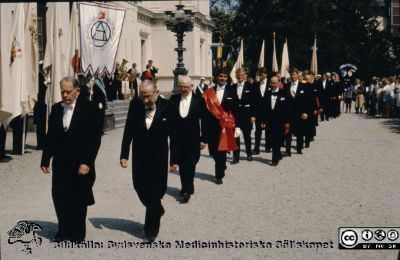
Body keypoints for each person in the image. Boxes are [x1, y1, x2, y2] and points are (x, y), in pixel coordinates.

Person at [40, 76, 102, 242]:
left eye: (68, 91)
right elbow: (50, 136)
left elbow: (95, 138)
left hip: (81, 163)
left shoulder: (90, 108)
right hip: (61, 162)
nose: (65, 95)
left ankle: (77, 233)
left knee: (78, 197)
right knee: (60, 197)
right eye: (62, 92)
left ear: (77, 91)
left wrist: (87, 162)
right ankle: (63, 230)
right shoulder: (56, 109)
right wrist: (45, 159)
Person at [120, 80, 170, 242]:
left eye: (148, 96)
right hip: (140, 155)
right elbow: (128, 130)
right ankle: (158, 208)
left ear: (156, 92)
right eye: (142, 96)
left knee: (155, 192)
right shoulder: (135, 104)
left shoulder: (167, 105)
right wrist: (124, 154)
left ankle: (151, 229)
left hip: (159, 156)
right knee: (139, 186)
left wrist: (175, 160)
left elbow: (175, 135)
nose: (145, 100)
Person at [169, 76, 207, 203]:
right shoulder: (174, 99)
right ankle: (186, 189)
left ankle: (187, 187)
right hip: (177, 138)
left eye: (186, 87)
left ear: (191, 87)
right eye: (181, 86)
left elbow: (205, 121)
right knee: (182, 163)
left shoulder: (199, 100)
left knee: (190, 164)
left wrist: (203, 139)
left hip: (193, 139)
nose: (183, 89)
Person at [202, 70, 237, 184]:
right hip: (211, 126)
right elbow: (205, 113)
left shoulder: (232, 91)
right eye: (221, 76)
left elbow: (235, 111)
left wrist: (236, 125)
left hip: (224, 127)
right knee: (213, 151)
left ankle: (219, 175)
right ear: (216, 77)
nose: (222, 78)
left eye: (225, 76)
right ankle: (222, 165)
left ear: (227, 78)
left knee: (221, 151)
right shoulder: (209, 92)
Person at [258, 76, 290, 166]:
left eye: (275, 83)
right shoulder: (267, 93)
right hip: (269, 120)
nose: (273, 85)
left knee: (277, 139)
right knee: (271, 139)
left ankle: (274, 159)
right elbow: (263, 109)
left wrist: (287, 121)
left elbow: (287, 109)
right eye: (271, 83)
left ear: (279, 82)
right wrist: (263, 121)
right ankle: (278, 154)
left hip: (280, 121)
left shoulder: (284, 93)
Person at [284, 68, 311, 155]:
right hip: (289, 113)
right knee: (288, 132)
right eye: (291, 74)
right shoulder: (286, 86)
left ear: (298, 75)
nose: (293, 76)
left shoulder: (304, 86)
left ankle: (299, 148)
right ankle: (288, 151)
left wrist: (306, 112)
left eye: (294, 74)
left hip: (300, 113)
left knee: (300, 131)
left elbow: (307, 101)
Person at [231, 67, 255, 164]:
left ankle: (249, 154)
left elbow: (254, 102)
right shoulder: (232, 87)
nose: (240, 76)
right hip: (236, 117)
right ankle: (236, 157)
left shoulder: (250, 86)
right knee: (236, 137)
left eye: (241, 74)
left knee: (247, 136)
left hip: (247, 116)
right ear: (236, 76)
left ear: (245, 75)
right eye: (238, 75)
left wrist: (253, 115)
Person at [253, 67, 269, 155]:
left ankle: (267, 146)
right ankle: (256, 148)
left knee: (268, 130)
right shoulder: (255, 85)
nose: (261, 77)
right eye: (260, 75)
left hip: (268, 112)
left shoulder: (270, 85)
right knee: (258, 131)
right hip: (258, 112)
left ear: (266, 75)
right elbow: (253, 100)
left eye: (262, 75)